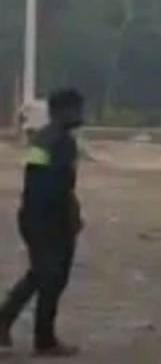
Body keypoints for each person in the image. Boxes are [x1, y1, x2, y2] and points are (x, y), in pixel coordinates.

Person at [0, 88, 85, 357]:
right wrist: (66, 219)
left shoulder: (45, 139)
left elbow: (44, 183)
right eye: (75, 108)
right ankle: (41, 338)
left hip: (39, 217)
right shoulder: (58, 142)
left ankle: (29, 331)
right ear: (61, 110)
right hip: (48, 220)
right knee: (49, 278)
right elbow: (51, 187)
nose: (80, 115)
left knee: (43, 276)